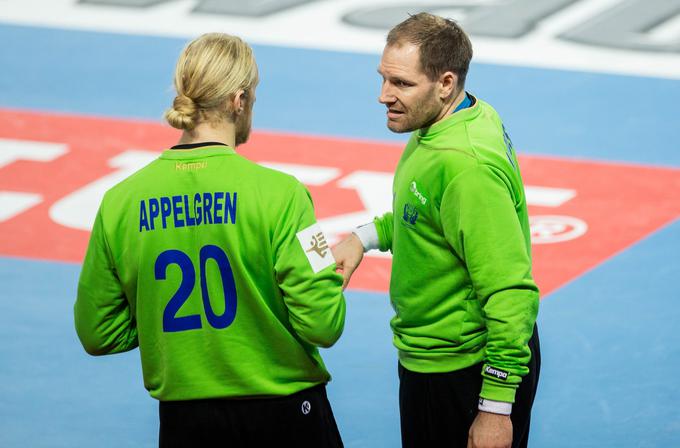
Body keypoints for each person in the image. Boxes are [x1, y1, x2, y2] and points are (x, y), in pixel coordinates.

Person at [74, 33, 346, 447]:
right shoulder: (284, 194)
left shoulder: (120, 201)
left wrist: (161, 324)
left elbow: (97, 333)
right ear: (239, 100)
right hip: (287, 417)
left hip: (186, 423)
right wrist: (323, 274)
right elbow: (323, 324)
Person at [333, 13, 540, 448]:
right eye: (384, 79)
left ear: (445, 83)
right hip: (432, 360)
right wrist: (363, 237)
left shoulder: (466, 168)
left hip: (466, 370)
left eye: (402, 84)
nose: (383, 96)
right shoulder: (445, 121)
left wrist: (496, 410)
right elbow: (424, 212)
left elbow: (511, 294)